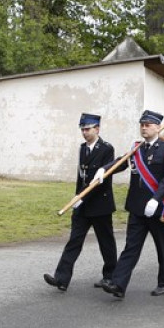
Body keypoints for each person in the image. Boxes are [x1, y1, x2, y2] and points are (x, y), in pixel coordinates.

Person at [101, 110, 164, 299]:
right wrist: (104, 170)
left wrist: (156, 199)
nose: (144, 128)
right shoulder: (137, 148)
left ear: (158, 127)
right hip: (136, 207)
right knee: (131, 247)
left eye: (148, 125)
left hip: (157, 208)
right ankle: (119, 284)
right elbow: (122, 163)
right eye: (142, 125)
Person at [44, 113, 117, 292]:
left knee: (106, 243)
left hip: (100, 205)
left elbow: (102, 182)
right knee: (74, 241)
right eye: (82, 129)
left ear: (97, 129)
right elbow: (81, 177)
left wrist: (82, 197)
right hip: (82, 205)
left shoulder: (107, 149)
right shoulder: (82, 148)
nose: (84, 133)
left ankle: (110, 277)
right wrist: (76, 197)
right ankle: (61, 278)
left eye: (87, 129)